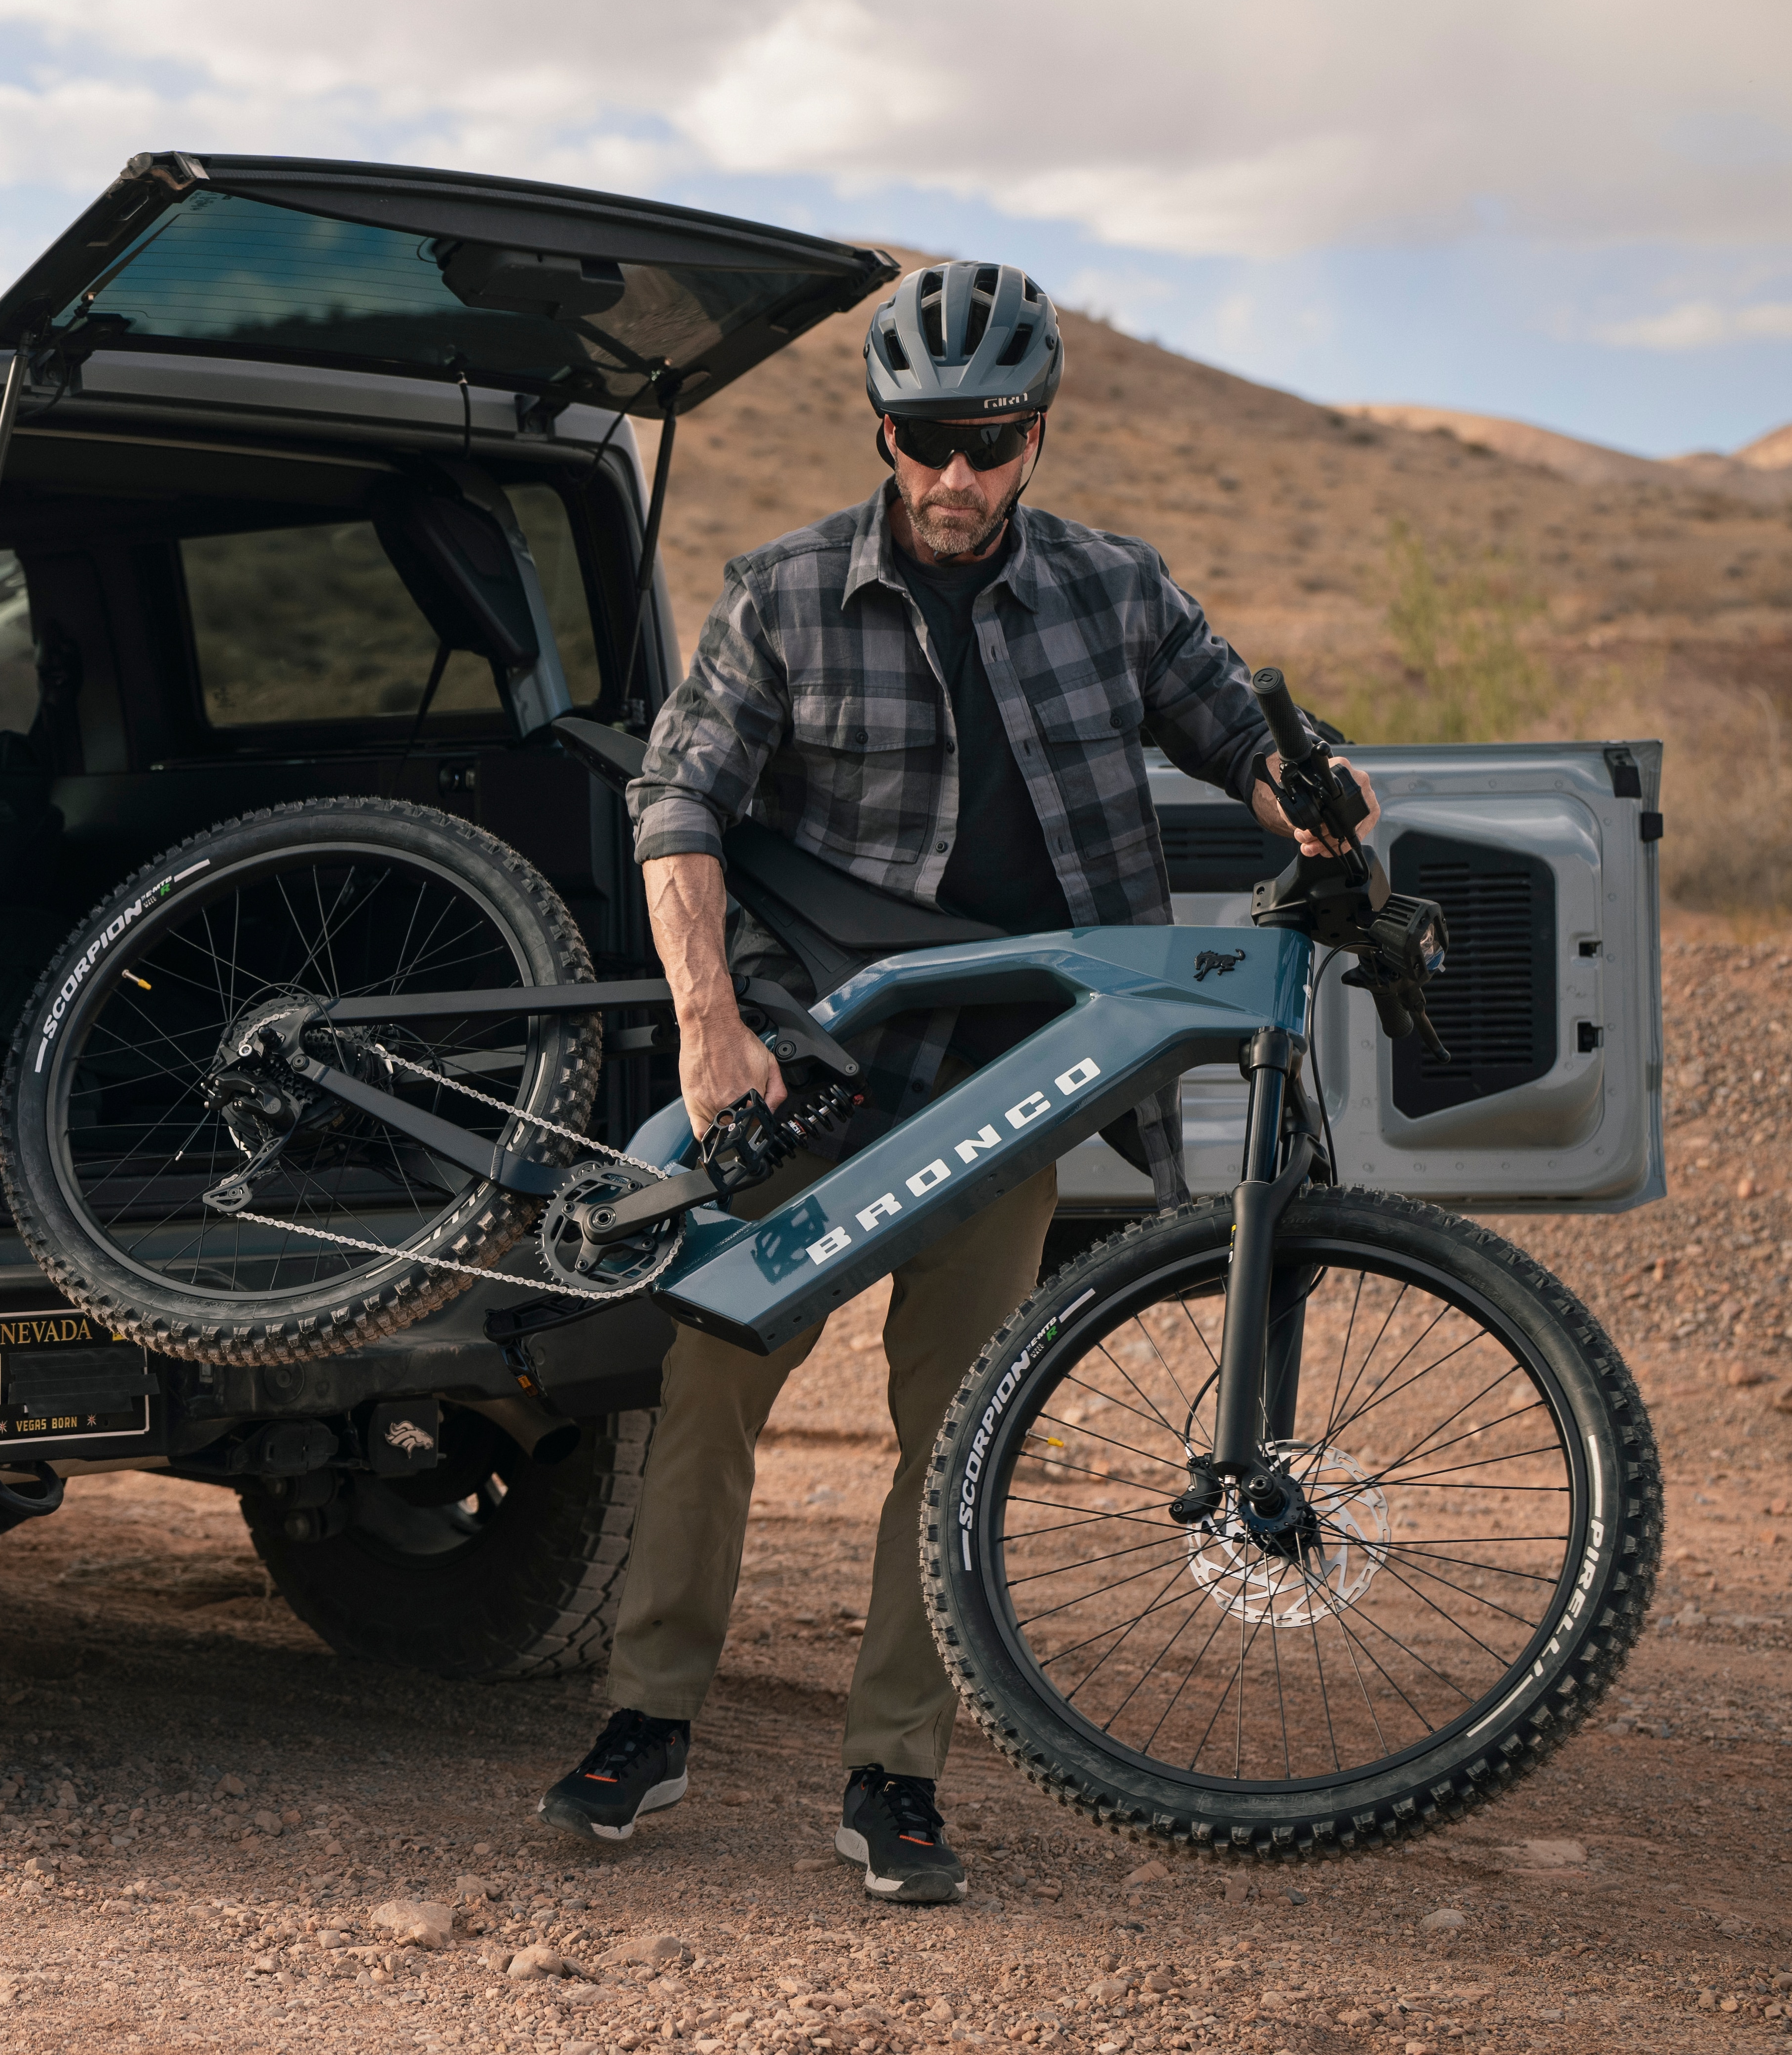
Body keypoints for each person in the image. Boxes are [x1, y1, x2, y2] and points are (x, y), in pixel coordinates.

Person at [535, 259, 1379, 1903]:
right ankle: (647, 1719)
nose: (954, 476)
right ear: (882, 433)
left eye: (987, 444)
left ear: (1035, 439)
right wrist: (710, 1028)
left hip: (1015, 1084)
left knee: (958, 1436)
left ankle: (894, 1775)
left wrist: (1316, 796)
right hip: (819, 1066)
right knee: (709, 1385)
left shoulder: (1115, 592)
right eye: (925, 441)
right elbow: (678, 803)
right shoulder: (783, 593)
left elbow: (1242, 740)